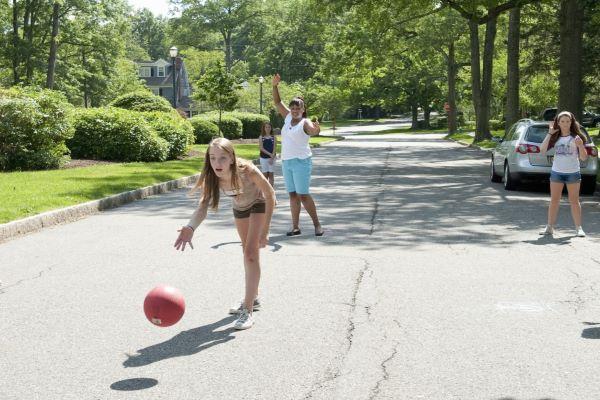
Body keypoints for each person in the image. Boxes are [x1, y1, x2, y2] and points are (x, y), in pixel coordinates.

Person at [174, 137, 276, 330]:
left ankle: (247, 311)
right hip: (240, 208)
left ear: (231, 158)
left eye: (222, 158)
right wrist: (190, 227)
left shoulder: (247, 170)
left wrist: (265, 230)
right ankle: (252, 297)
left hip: (259, 203)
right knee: (247, 252)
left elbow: (270, 194)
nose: (217, 163)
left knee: (251, 255)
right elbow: (203, 207)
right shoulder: (212, 176)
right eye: (212, 158)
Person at [272, 73, 324, 237]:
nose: (294, 111)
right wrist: (275, 86)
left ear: (303, 110)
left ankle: (317, 225)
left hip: (301, 162)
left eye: (298, 108)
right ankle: (295, 227)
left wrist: (316, 130)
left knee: (303, 194)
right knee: (292, 195)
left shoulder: (305, 122)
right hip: (287, 162)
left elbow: (312, 130)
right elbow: (277, 102)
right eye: (293, 108)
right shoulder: (287, 118)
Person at [539, 110, 588, 237]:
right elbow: (542, 151)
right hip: (557, 173)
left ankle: (578, 228)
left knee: (574, 201)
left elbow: (583, 158)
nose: (565, 124)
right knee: (554, 200)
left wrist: (581, 145)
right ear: (558, 123)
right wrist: (550, 133)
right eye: (562, 121)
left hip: (573, 173)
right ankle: (549, 227)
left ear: (571, 122)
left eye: (568, 121)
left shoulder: (577, 137)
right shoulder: (555, 136)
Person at [258, 121, 277, 187]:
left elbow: (275, 147)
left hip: (272, 158)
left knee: (271, 174)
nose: (267, 128)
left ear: (271, 128)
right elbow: (261, 148)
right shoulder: (261, 137)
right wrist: (270, 154)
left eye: (269, 127)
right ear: (264, 128)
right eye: (266, 127)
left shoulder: (273, 137)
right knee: (265, 174)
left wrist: (272, 157)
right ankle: (266, 190)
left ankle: (271, 190)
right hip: (263, 158)